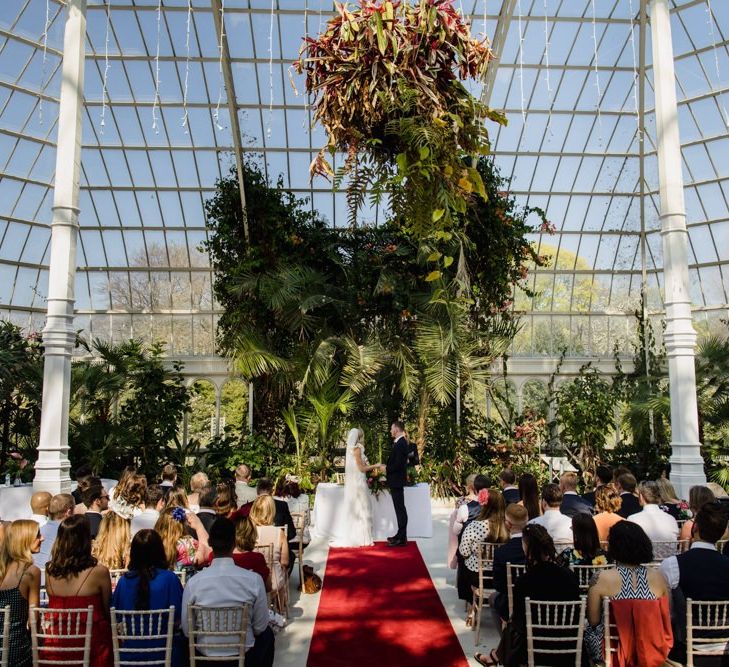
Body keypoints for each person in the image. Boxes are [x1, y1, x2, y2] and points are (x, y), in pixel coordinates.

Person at [476, 524, 581, 667]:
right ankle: (495, 656)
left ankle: (495, 656)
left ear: (527, 548)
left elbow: (519, 622)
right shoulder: (570, 577)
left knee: (513, 623)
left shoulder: (524, 582)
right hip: (568, 642)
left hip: (533, 646)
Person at [181, 518, 274, 667]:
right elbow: (259, 627)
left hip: (205, 658)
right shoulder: (254, 580)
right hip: (244, 656)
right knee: (267, 635)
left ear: (210, 543)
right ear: (234, 543)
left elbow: (187, 630)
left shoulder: (194, 583)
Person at [585, 521, 672, 666]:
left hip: (611, 651)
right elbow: (665, 617)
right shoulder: (658, 578)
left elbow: (593, 620)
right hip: (651, 650)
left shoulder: (601, 578)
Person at [660, 503, 729, 664]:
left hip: (684, 649)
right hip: (725, 648)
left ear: (695, 527)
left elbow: (667, 613)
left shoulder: (672, 564)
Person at [43, 515, 113, 667]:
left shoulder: (49, 571)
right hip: (92, 648)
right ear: (85, 541)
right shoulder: (99, 572)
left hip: (56, 645)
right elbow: (108, 612)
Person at [112, 530, 185, 666]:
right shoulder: (170, 579)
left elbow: (116, 617)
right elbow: (179, 618)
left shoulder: (123, 582)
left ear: (133, 553)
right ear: (159, 551)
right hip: (164, 654)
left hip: (129, 654)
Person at [459, 489, 509, 623]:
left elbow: (464, 552)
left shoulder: (474, 526)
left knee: (466, 563)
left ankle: (471, 606)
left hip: (478, 576)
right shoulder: (508, 527)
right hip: (503, 577)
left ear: (483, 505)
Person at [0, 519, 42, 667]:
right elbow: (33, 621)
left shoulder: (2, 568)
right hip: (16, 652)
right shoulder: (30, 572)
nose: (42, 538)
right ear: (24, 539)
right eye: (37, 535)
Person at [331, 427, 382, 547]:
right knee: (364, 507)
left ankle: (361, 537)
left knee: (359, 508)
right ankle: (364, 538)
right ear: (358, 437)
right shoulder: (357, 449)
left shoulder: (350, 450)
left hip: (357, 481)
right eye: (360, 436)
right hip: (359, 482)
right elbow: (361, 468)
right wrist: (376, 465)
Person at [489, 503, 528, 626]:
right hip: (536, 599)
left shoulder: (502, 552)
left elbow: (498, 585)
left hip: (512, 602)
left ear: (508, 524)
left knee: (493, 598)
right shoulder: (538, 547)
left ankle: (506, 640)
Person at [215, 514, 272, 592]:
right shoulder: (256, 559)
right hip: (247, 602)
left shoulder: (215, 557)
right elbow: (268, 587)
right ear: (251, 535)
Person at [249, 496, 289, 597]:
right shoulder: (279, 533)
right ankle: (280, 607)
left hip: (251, 579)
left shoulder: (248, 532)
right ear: (272, 511)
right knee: (283, 573)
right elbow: (285, 562)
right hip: (273, 581)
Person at [628, 481, 679, 554]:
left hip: (642, 562)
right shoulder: (671, 519)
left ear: (641, 497)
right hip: (668, 561)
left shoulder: (632, 519)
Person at [34, 492, 74, 573]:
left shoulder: (39, 530)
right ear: (69, 512)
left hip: (35, 574)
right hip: (54, 576)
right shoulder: (70, 533)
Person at [386, 420, 410, 547]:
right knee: (399, 508)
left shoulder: (401, 443)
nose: (390, 431)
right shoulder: (399, 442)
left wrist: (386, 468)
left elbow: (399, 464)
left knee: (400, 509)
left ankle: (401, 538)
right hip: (396, 480)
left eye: (391, 428)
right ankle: (401, 535)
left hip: (397, 480)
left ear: (396, 429)